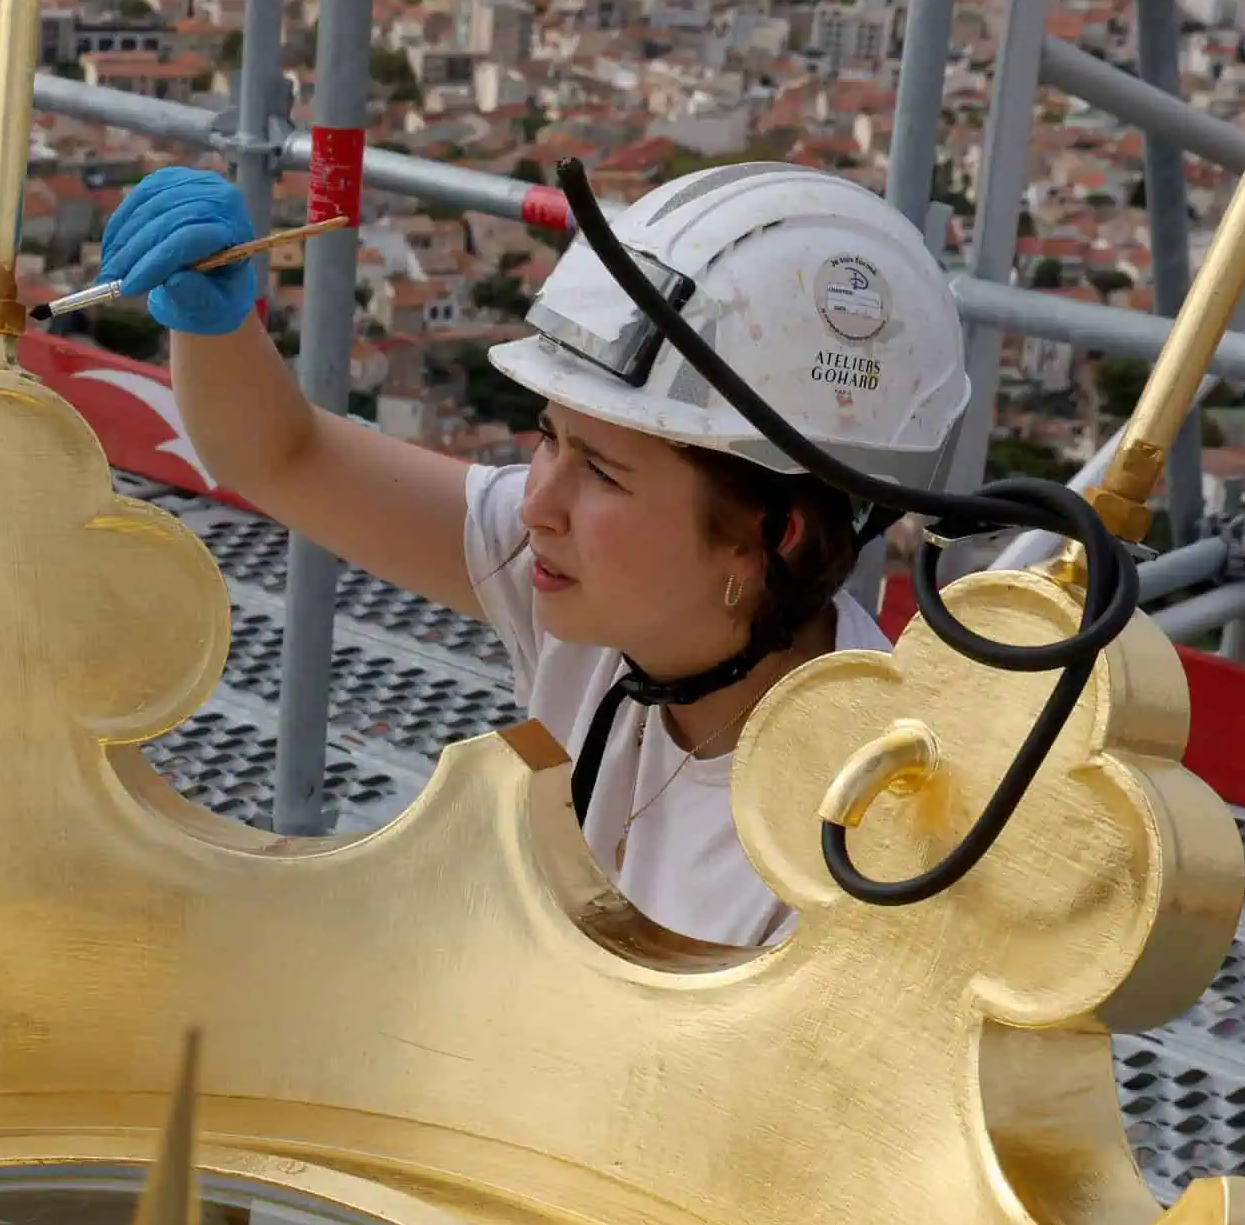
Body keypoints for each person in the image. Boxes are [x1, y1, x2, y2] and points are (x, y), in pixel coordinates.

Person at [95, 162, 973, 947]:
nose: (537, 504)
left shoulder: (862, 830)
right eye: (550, 437)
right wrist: (214, 323)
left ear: (770, 534)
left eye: (603, 472)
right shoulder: (602, 601)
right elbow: (286, 457)